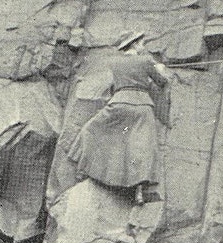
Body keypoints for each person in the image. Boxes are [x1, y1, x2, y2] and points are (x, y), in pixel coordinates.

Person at [68, 44, 170, 205]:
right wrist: (161, 69)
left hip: (119, 103)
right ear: (136, 44)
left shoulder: (114, 62)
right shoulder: (145, 60)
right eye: (141, 42)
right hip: (142, 106)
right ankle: (140, 192)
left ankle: (84, 169)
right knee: (142, 147)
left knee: (90, 129)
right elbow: (162, 82)